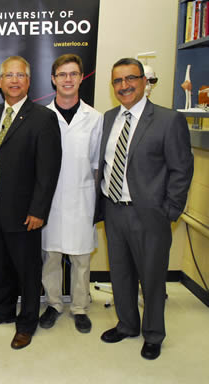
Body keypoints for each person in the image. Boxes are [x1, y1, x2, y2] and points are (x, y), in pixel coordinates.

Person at [94, 58, 193, 360]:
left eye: (130, 79)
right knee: (120, 273)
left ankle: (153, 334)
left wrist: (170, 211)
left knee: (151, 278)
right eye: (117, 81)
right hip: (114, 210)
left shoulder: (167, 119)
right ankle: (127, 325)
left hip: (150, 214)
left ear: (144, 82)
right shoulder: (109, 118)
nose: (124, 86)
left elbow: (181, 169)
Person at [0, 56, 62, 349]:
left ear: (29, 81)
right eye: (8, 75)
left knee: (27, 271)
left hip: (26, 212)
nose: (14, 80)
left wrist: (39, 210)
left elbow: (48, 170)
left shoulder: (43, 117)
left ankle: (27, 323)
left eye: (20, 75)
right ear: (0, 82)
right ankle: (2, 311)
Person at [40, 54, 103, 334]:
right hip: (49, 201)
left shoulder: (95, 118)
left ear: (81, 78)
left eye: (73, 74)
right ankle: (53, 304)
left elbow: (96, 162)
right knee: (50, 257)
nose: (68, 79)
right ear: (53, 79)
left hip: (82, 197)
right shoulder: (42, 116)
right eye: (62, 74)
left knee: (81, 259)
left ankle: (79, 307)